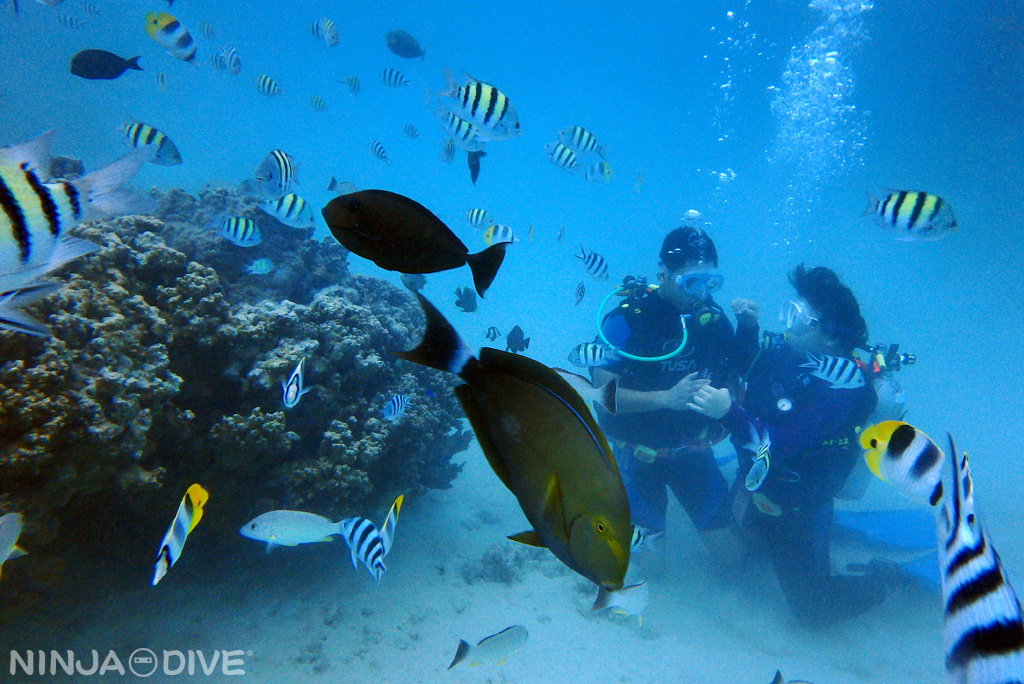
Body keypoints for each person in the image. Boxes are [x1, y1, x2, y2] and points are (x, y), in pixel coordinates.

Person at [688, 264, 885, 628]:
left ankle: (886, 580)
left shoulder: (842, 389)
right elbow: (746, 365)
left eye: (799, 318)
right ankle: (765, 529)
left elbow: (779, 444)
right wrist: (748, 327)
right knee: (743, 554)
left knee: (813, 611)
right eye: (789, 311)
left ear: (830, 337)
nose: (787, 324)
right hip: (759, 485)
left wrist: (727, 412)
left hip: (799, 506)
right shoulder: (790, 351)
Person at [591, 226, 759, 563]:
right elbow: (602, 397)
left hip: (692, 453)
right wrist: (665, 398)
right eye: (690, 281)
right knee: (647, 567)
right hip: (636, 456)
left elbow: (735, 372)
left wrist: (748, 329)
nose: (700, 292)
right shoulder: (625, 320)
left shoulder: (711, 319)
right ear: (663, 276)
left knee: (734, 558)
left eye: (710, 282)